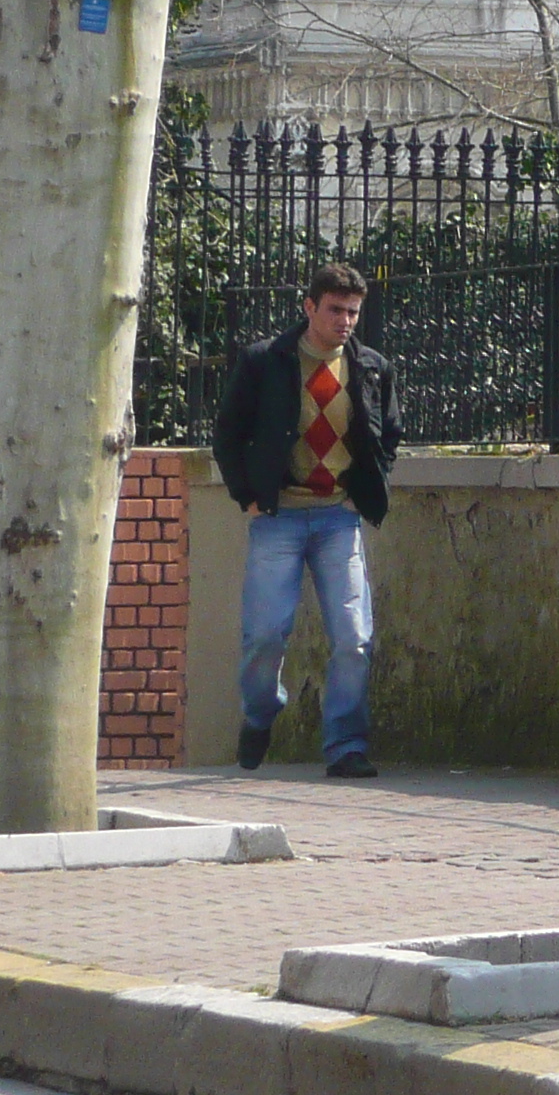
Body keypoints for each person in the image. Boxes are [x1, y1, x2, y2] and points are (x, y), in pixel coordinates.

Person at [212, 261, 400, 778]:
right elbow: (227, 435)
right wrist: (246, 496)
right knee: (265, 635)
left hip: (339, 519)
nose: (345, 321)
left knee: (353, 636)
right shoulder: (264, 361)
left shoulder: (371, 367)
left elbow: (388, 433)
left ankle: (346, 746)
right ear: (309, 307)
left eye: (353, 312)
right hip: (278, 519)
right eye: (335, 309)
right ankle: (261, 712)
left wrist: (366, 493)